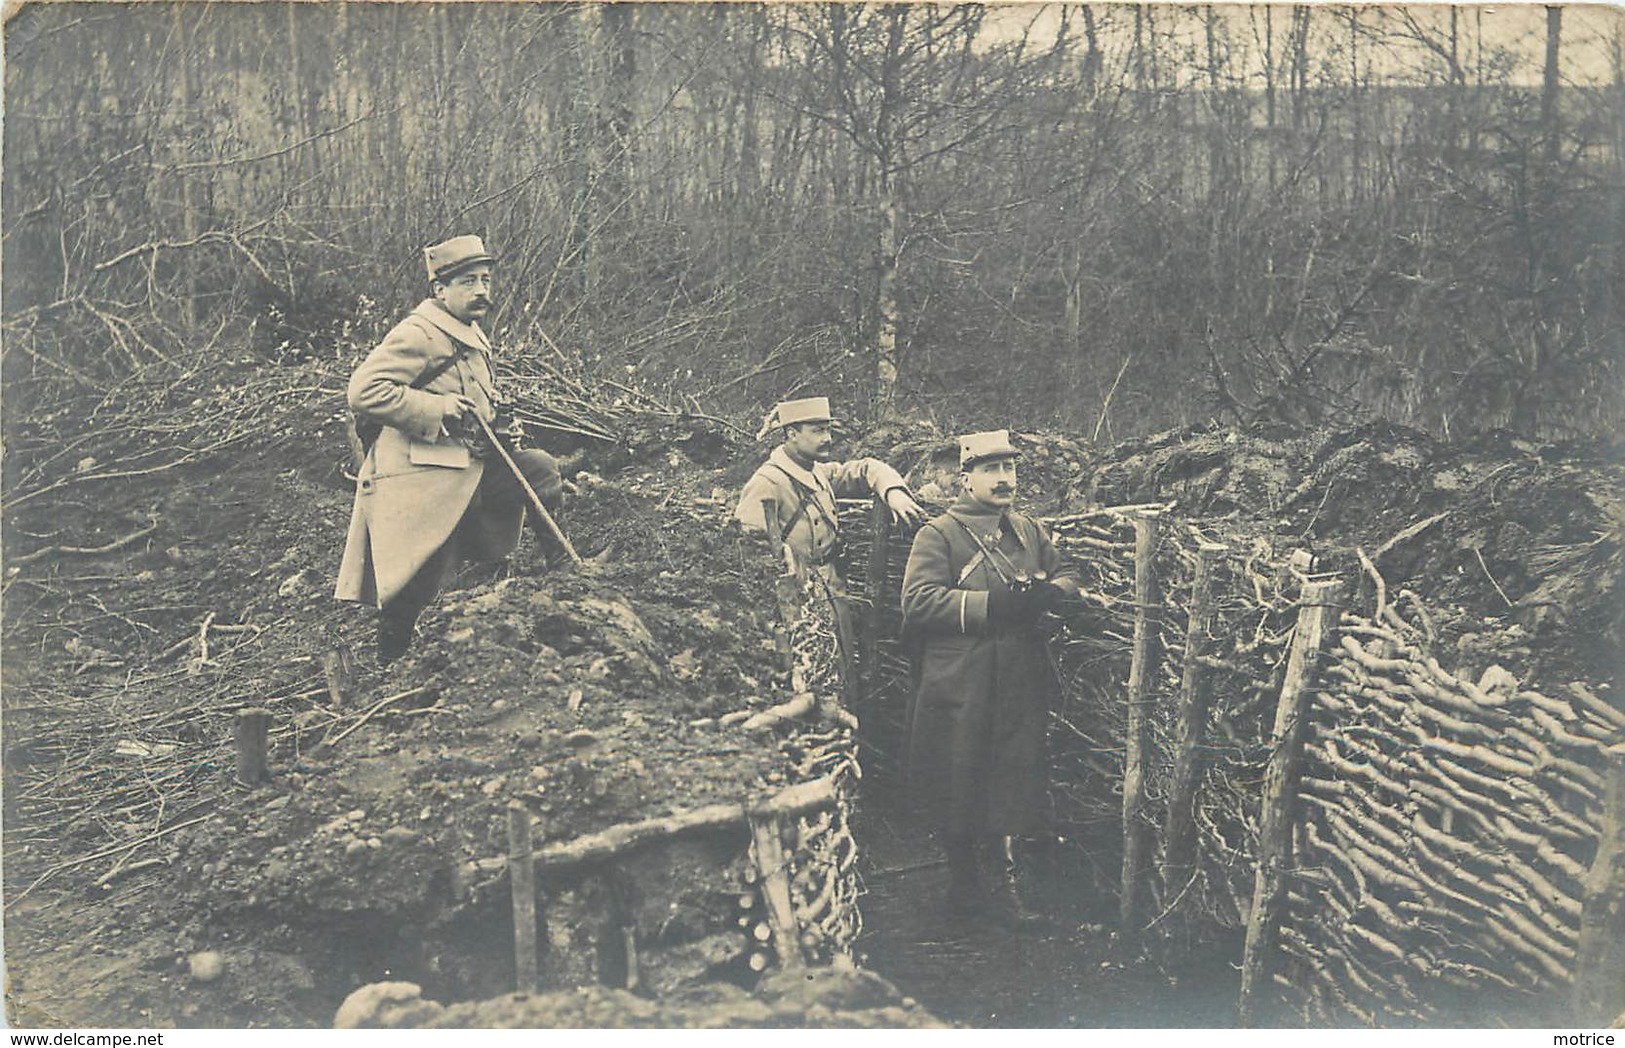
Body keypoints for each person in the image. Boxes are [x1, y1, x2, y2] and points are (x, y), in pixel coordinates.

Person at [335, 235, 566, 662]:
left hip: (467, 465)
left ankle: (566, 574)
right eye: (467, 282)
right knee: (415, 584)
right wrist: (437, 408)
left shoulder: (471, 333)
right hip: (422, 475)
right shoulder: (419, 333)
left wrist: (498, 422)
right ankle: (389, 664)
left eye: (485, 280)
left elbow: (472, 401)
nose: (481, 291)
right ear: (439, 290)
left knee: (540, 470)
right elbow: (364, 391)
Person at [899, 429, 1080, 928]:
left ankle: (1004, 891)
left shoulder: (1028, 529)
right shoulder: (939, 534)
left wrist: (1051, 595)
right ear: (965, 478)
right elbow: (917, 603)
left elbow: (1065, 573)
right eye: (991, 470)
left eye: (1010, 470)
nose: (1004, 480)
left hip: (1018, 677)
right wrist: (992, 606)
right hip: (961, 678)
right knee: (959, 778)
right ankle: (964, 886)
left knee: (1009, 779)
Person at [733, 396, 927, 582]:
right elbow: (749, 552)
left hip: (832, 587)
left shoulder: (817, 472)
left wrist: (893, 492)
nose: (827, 438)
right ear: (792, 434)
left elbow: (866, 468)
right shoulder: (767, 482)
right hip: (796, 594)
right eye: (818, 431)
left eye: (827, 430)